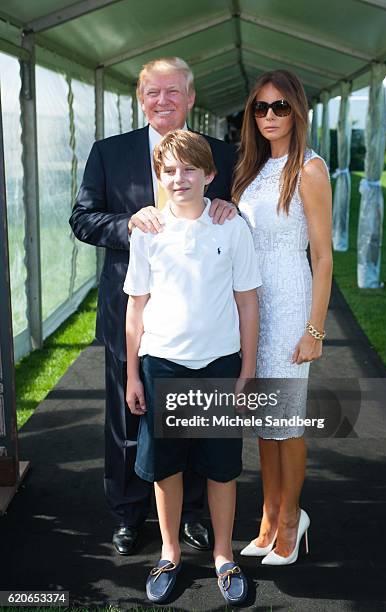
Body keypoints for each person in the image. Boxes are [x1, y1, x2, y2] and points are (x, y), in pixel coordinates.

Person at [69, 57, 237, 555]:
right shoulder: (109, 153)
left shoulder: (223, 155)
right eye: (152, 93)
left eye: (172, 92)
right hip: (132, 314)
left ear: (190, 98)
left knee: (196, 420)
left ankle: (192, 515)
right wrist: (129, 225)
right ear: (140, 99)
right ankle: (127, 513)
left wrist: (231, 206)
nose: (162, 101)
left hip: (204, 322)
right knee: (128, 420)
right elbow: (82, 219)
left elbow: (239, 216)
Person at [124, 130, 261, 604]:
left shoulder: (231, 226)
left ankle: (225, 555)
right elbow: (136, 308)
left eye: (188, 170)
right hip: (162, 365)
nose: (178, 179)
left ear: (210, 175)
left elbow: (247, 303)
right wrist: (132, 374)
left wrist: (246, 371)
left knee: (222, 469)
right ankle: (170, 553)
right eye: (168, 171)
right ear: (159, 178)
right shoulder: (147, 232)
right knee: (167, 470)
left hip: (220, 365)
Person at [233, 70, 332, 565]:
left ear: (297, 111)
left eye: (280, 107)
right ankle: (268, 517)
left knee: (287, 422)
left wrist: (315, 330)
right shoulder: (250, 169)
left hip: (291, 303)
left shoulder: (309, 168)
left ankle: (293, 519)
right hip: (254, 306)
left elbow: (324, 257)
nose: (269, 116)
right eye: (260, 107)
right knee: (263, 421)